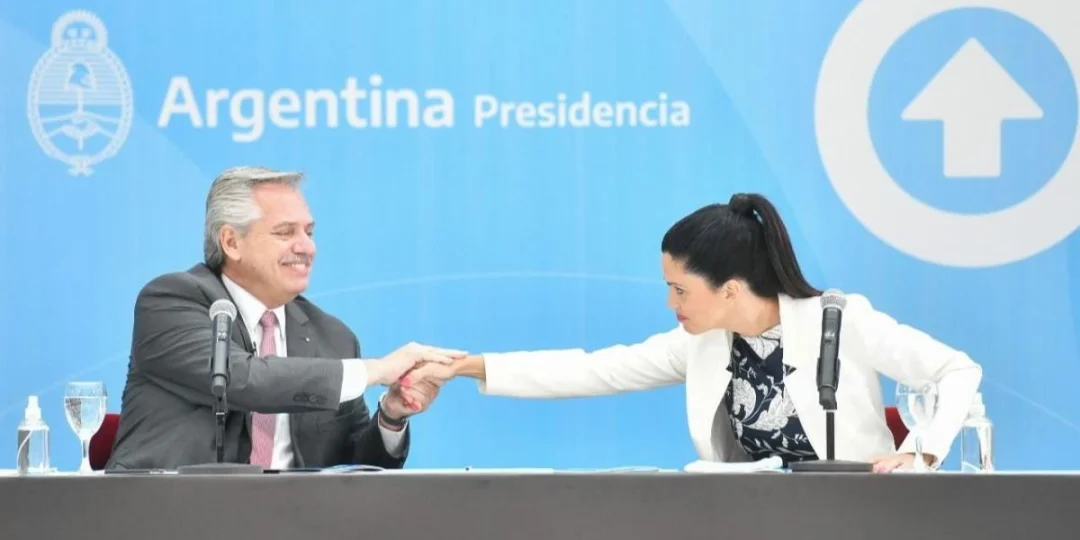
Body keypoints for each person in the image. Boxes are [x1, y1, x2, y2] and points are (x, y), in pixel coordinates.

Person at [408, 193, 982, 472]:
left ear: (730, 289)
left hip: (854, 522)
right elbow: (593, 369)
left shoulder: (840, 320)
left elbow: (956, 369)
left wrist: (922, 453)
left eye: (681, 290)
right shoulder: (703, 344)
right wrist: (469, 366)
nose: (671, 303)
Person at [107, 166, 463, 471]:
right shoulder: (171, 301)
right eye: (285, 232)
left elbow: (357, 468)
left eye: (309, 232)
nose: (307, 247)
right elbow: (241, 378)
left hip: (294, 518)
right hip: (170, 515)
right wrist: (375, 370)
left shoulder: (333, 337)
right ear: (231, 242)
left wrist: (391, 417)